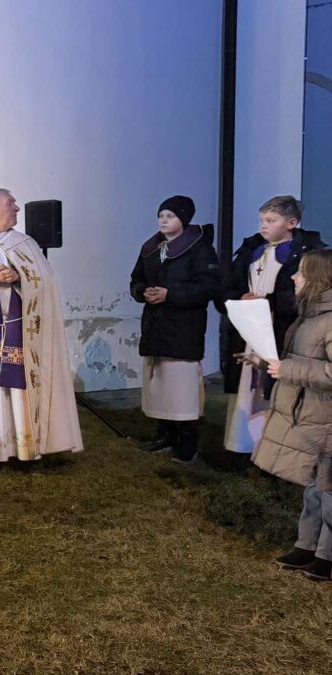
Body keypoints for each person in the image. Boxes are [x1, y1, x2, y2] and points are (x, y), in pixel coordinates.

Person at [0, 189, 82, 462]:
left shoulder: (25, 244)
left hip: (21, 328)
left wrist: (18, 276)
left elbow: (45, 283)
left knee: (19, 382)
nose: (18, 209)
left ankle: (23, 445)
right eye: (11, 204)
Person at [247, 249, 332, 582]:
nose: (295, 277)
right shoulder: (309, 316)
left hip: (325, 419)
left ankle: (327, 556)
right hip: (309, 416)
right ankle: (307, 546)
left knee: (328, 490)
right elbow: (297, 360)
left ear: (320, 280)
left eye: (301, 272)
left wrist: (289, 368)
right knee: (313, 487)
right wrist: (263, 363)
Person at [220, 196, 326, 454]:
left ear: (291, 222)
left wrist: (269, 301)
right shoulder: (252, 250)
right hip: (248, 330)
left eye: (271, 220)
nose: (263, 226)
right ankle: (244, 444)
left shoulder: (306, 254)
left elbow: (307, 293)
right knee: (247, 386)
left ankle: (273, 448)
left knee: (273, 388)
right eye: (262, 220)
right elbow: (227, 284)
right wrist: (237, 297)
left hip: (279, 330)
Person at [130, 196, 217, 463]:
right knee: (159, 387)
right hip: (156, 327)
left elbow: (208, 286)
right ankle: (164, 434)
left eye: (170, 216)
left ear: (184, 219)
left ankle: (187, 444)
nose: (164, 220)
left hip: (183, 330)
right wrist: (143, 292)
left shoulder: (199, 250)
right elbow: (136, 279)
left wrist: (171, 294)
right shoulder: (151, 248)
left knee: (182, 390)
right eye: (161, 215)